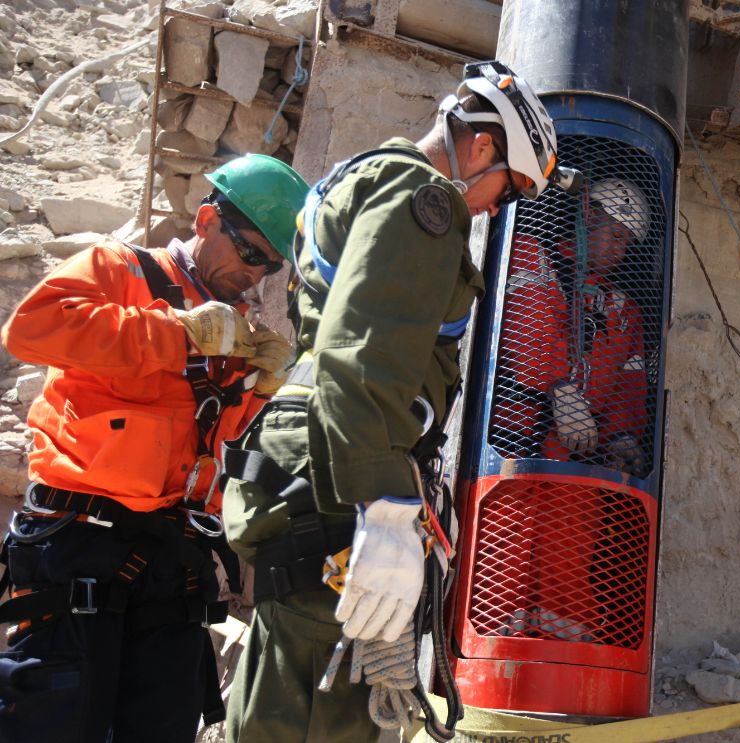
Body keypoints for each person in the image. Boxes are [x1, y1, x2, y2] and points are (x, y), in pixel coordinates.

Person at [220, 60, 574, 743]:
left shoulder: (364, 175)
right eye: (510, 187)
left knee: (283, 697)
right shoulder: (424, 203)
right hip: (342, 485)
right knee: (322, 718)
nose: (498, 208)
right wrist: (385, 507)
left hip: (312, 474)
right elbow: (365, 360)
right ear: (481, 147)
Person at [0, 153, 308, 743]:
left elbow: (214, 445)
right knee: (53, 720)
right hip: (78, 541)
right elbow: (30, 329)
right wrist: (175, 331)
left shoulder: (234, 329)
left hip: (172, 560)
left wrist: (259, 391)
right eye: (249, 253)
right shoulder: (120, 270)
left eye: (270, 266)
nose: (255, 276)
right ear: (206, 220)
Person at [492, 176, 650, 477]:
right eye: (616, 236)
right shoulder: (533, 256)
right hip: (514, 448)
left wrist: (622, 436)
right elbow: (527, 321)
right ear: (589, 215)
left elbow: (628, 385)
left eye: (627, 244)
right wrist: (559, 389)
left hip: (582, 465)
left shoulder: (623, 311)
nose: (620, 252)